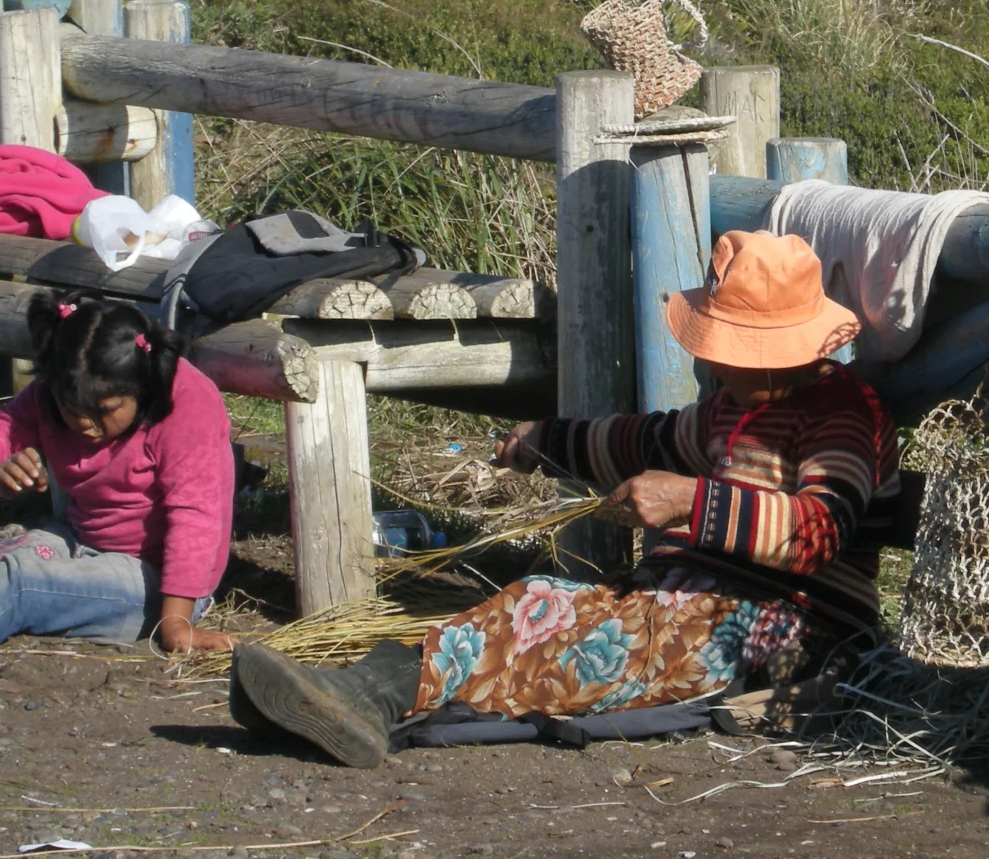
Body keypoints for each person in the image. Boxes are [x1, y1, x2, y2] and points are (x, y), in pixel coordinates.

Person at [231, 229, 898, 767]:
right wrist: (546, 442)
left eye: (736, 351)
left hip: (792, 627)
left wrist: (694, 503)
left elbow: (820, 532)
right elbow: (650, 441)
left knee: (605, 642)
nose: (718, 364)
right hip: (696, 597)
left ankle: (379, 701)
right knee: (538, 601)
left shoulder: (843, 414)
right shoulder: (735, 406)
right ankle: (371, 687)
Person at [0, 292, 236, 655]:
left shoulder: (186, 402)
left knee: (17, 584)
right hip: (77, 539)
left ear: (140, 389)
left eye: (105, 410)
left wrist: (176, 623)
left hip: (157, 582)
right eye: (72, 409)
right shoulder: (58, 389)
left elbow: (196, 516)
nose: (85, 423)